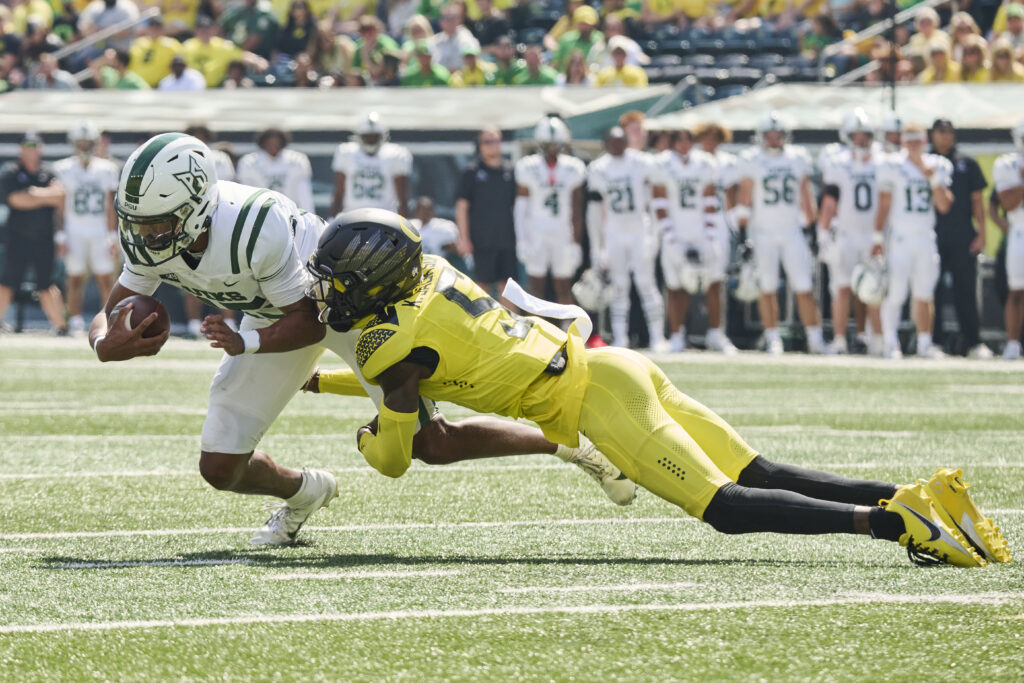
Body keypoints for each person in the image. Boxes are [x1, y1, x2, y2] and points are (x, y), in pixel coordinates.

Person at [307, 209, 1010, 568]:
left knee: (728, 507)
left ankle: (895, 524)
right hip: (615, 365)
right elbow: (409, 371)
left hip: (597, 402)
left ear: (374, 276)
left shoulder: (389, 344)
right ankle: (918, 492)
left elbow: (395, 453)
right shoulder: (429, 276)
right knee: (756, 470)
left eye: (338, 275)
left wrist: (369, 434)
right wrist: (318, 381)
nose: (329, 288)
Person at [89, 133, 634, 547]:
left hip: (347, 306)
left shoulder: (257, 224)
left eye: (158, 221)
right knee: (220, 469)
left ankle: (565, 444)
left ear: (197, 205)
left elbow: (312, 321)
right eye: (137, 220)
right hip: (269, 318)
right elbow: (110, 308)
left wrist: (246, 344)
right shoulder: (149, 232)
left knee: (430, 445)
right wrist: (103, 343)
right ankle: (306, 491)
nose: (144, 233)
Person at [736, 112, 825, 355]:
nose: (774, 140)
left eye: (778, 135)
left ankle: (814, 337)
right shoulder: (752, 160)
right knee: (768, 287)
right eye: (770, 136)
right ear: (761, 137)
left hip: (792, 231)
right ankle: (773, 337)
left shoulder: (797, 159)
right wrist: (743, 234)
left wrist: (811, 227)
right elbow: (744, 197)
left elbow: (806, 196)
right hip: (763, 232)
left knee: (804, 286)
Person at [872, 124, 954, 359]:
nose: (913, 146)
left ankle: (924, 343)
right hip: (900, 237)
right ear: (903, 143)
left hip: (925, 235)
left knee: (924, 292)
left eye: (917, 141)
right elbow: (885, 203)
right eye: (909, 142)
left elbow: (944, 205)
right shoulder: (892, 164)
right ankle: (890, 341)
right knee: (896, 291)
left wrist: (932, 178)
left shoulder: (937, 165)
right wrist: (877, 236)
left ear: (924, 142)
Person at [587, 127, 667, 351]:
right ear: (606, 144)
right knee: (619, 287)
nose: (617, 145)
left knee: (646, 284)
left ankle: (657, 336)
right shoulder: (599, 168)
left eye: (621, 141)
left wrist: (654, 234)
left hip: (639, 228)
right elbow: (594, 212)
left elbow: (654, 201)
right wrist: (597, 246)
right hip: (614, 230)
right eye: (612, 141)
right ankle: (620, 337)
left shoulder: (642, 163)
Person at [818, 110, 884, 356]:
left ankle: (877, 340)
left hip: (872, 235)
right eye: (856, 136)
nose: (861, 140)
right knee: (842, 288)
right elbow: (830, 201)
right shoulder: (838, 162)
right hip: (845, 234)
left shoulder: (882, 160)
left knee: (874, 289)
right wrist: (823, 233)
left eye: (865, 135)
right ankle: (839, 339)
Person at [651, 128, 719, 353]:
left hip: (699, 232)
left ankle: (716, 334)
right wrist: (669, 235)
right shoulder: (662, 163)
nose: (683, 144)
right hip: (676, 233)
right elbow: (659, 201)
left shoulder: (705, 163)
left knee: (712, 283)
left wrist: (709, 233)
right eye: (678, 139)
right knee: (676, 287)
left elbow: (709, 198)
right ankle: (676, 334)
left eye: (687, 139)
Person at [928, 119, 992, 358]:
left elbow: (978, 201)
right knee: (931, 289)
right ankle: (933, 341)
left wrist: (982, 233)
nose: (947, 136)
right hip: (931, 233)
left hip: (962, 233)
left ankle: (974, 341)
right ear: (932, 134)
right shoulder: (924, 162)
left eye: (950, 131)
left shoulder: (967, 161)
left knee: (964, 290)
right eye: (942, 131)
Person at [52, 121, 120, 337]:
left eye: (87, 142)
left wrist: (112, 235)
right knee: (74, 278)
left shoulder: (107, 168)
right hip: (74, 229)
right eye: (80, 143)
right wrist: (60, 235)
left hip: (99, 230)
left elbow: (111, 205)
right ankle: (76, 322)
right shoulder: (63, 168)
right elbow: (60, 205)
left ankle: (109, 319)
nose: (84, 147)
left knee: (106, 278)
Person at [514, 116, 585, 305]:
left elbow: (577, 209)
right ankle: (535, 331)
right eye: (548, 144)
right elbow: (521, 207)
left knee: (563, 285)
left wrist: (576, 243)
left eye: (556, 144)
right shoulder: (528, 167)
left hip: (562, 231)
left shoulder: (573, 168)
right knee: (536, 287)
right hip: (536, 230)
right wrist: (521, 239)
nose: (552, 149)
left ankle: (567, 330)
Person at [0, 132, 67, 334]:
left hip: (44, 238)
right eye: (27, 145)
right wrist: (45, 195)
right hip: (17, 238)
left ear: (41, 148)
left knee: (47, 284)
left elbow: (61, 197)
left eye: (35, 145)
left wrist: (32, 194)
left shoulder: (49, 172)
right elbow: (14, 200)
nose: (31, 150)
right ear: (21, 148)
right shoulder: (11, 172)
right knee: (6, 282)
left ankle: (61, 327)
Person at [693, 122, 741, 355]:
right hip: (691, 222)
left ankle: (716, 332)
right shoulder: (691, 161)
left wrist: (735, 229)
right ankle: (677, 332)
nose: (710, 142)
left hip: (719, 224)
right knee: (683, 280)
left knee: (716, 278)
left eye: (714, 137)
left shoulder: (727, 163)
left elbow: (731, 198)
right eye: (705, 137)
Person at [455, 125, 518, 294]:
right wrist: (464, 238)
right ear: (480, 145)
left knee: (509, 288)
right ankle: (484, 321)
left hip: (507, 239)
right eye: (487, 141)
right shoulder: (472, 172)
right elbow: (462, 207)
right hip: (481, 240)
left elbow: (519, 206)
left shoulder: (510, 171)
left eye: (495, 140)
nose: (492, 145)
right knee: (481, 287)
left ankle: (509, 322)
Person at [331, 112, 411, 217]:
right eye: (367, 137)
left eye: (374, 137)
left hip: (385, 217)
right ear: (359, 136)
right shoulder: (346, 153)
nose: (371, 141)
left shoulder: (396, 155)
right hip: (352, 216)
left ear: (382, 136)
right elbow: (339, 193)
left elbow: (402, 198)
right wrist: (332, 218)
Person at [993, 117, 1024, 360]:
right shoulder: (1007, 164)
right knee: (1016, 291)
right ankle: (1012, 343)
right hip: (1020, 230)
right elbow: (1008, 202)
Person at [237, 127, 314, 212]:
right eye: (269, 143)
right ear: (263, 143)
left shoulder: (297, 161)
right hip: (260, 214)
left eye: (277, 143)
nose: (273, 146)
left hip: (291, 213)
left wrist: (309, 215)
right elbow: (246, 194)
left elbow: (304, 195)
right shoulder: (249, 162)